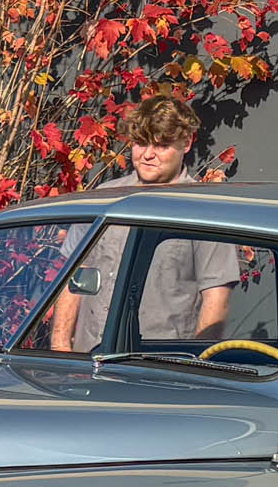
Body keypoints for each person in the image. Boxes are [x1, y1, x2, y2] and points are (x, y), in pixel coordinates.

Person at [48, 94, 236, 352]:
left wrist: (197, 366)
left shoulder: (204, 210)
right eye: (140, 143)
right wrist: (60, 347)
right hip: (87, 363)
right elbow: (75, 274)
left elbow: (216, 296)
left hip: (158, 371)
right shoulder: (103, 198)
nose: (148, 154)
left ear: (187, 142)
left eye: (161, 145)